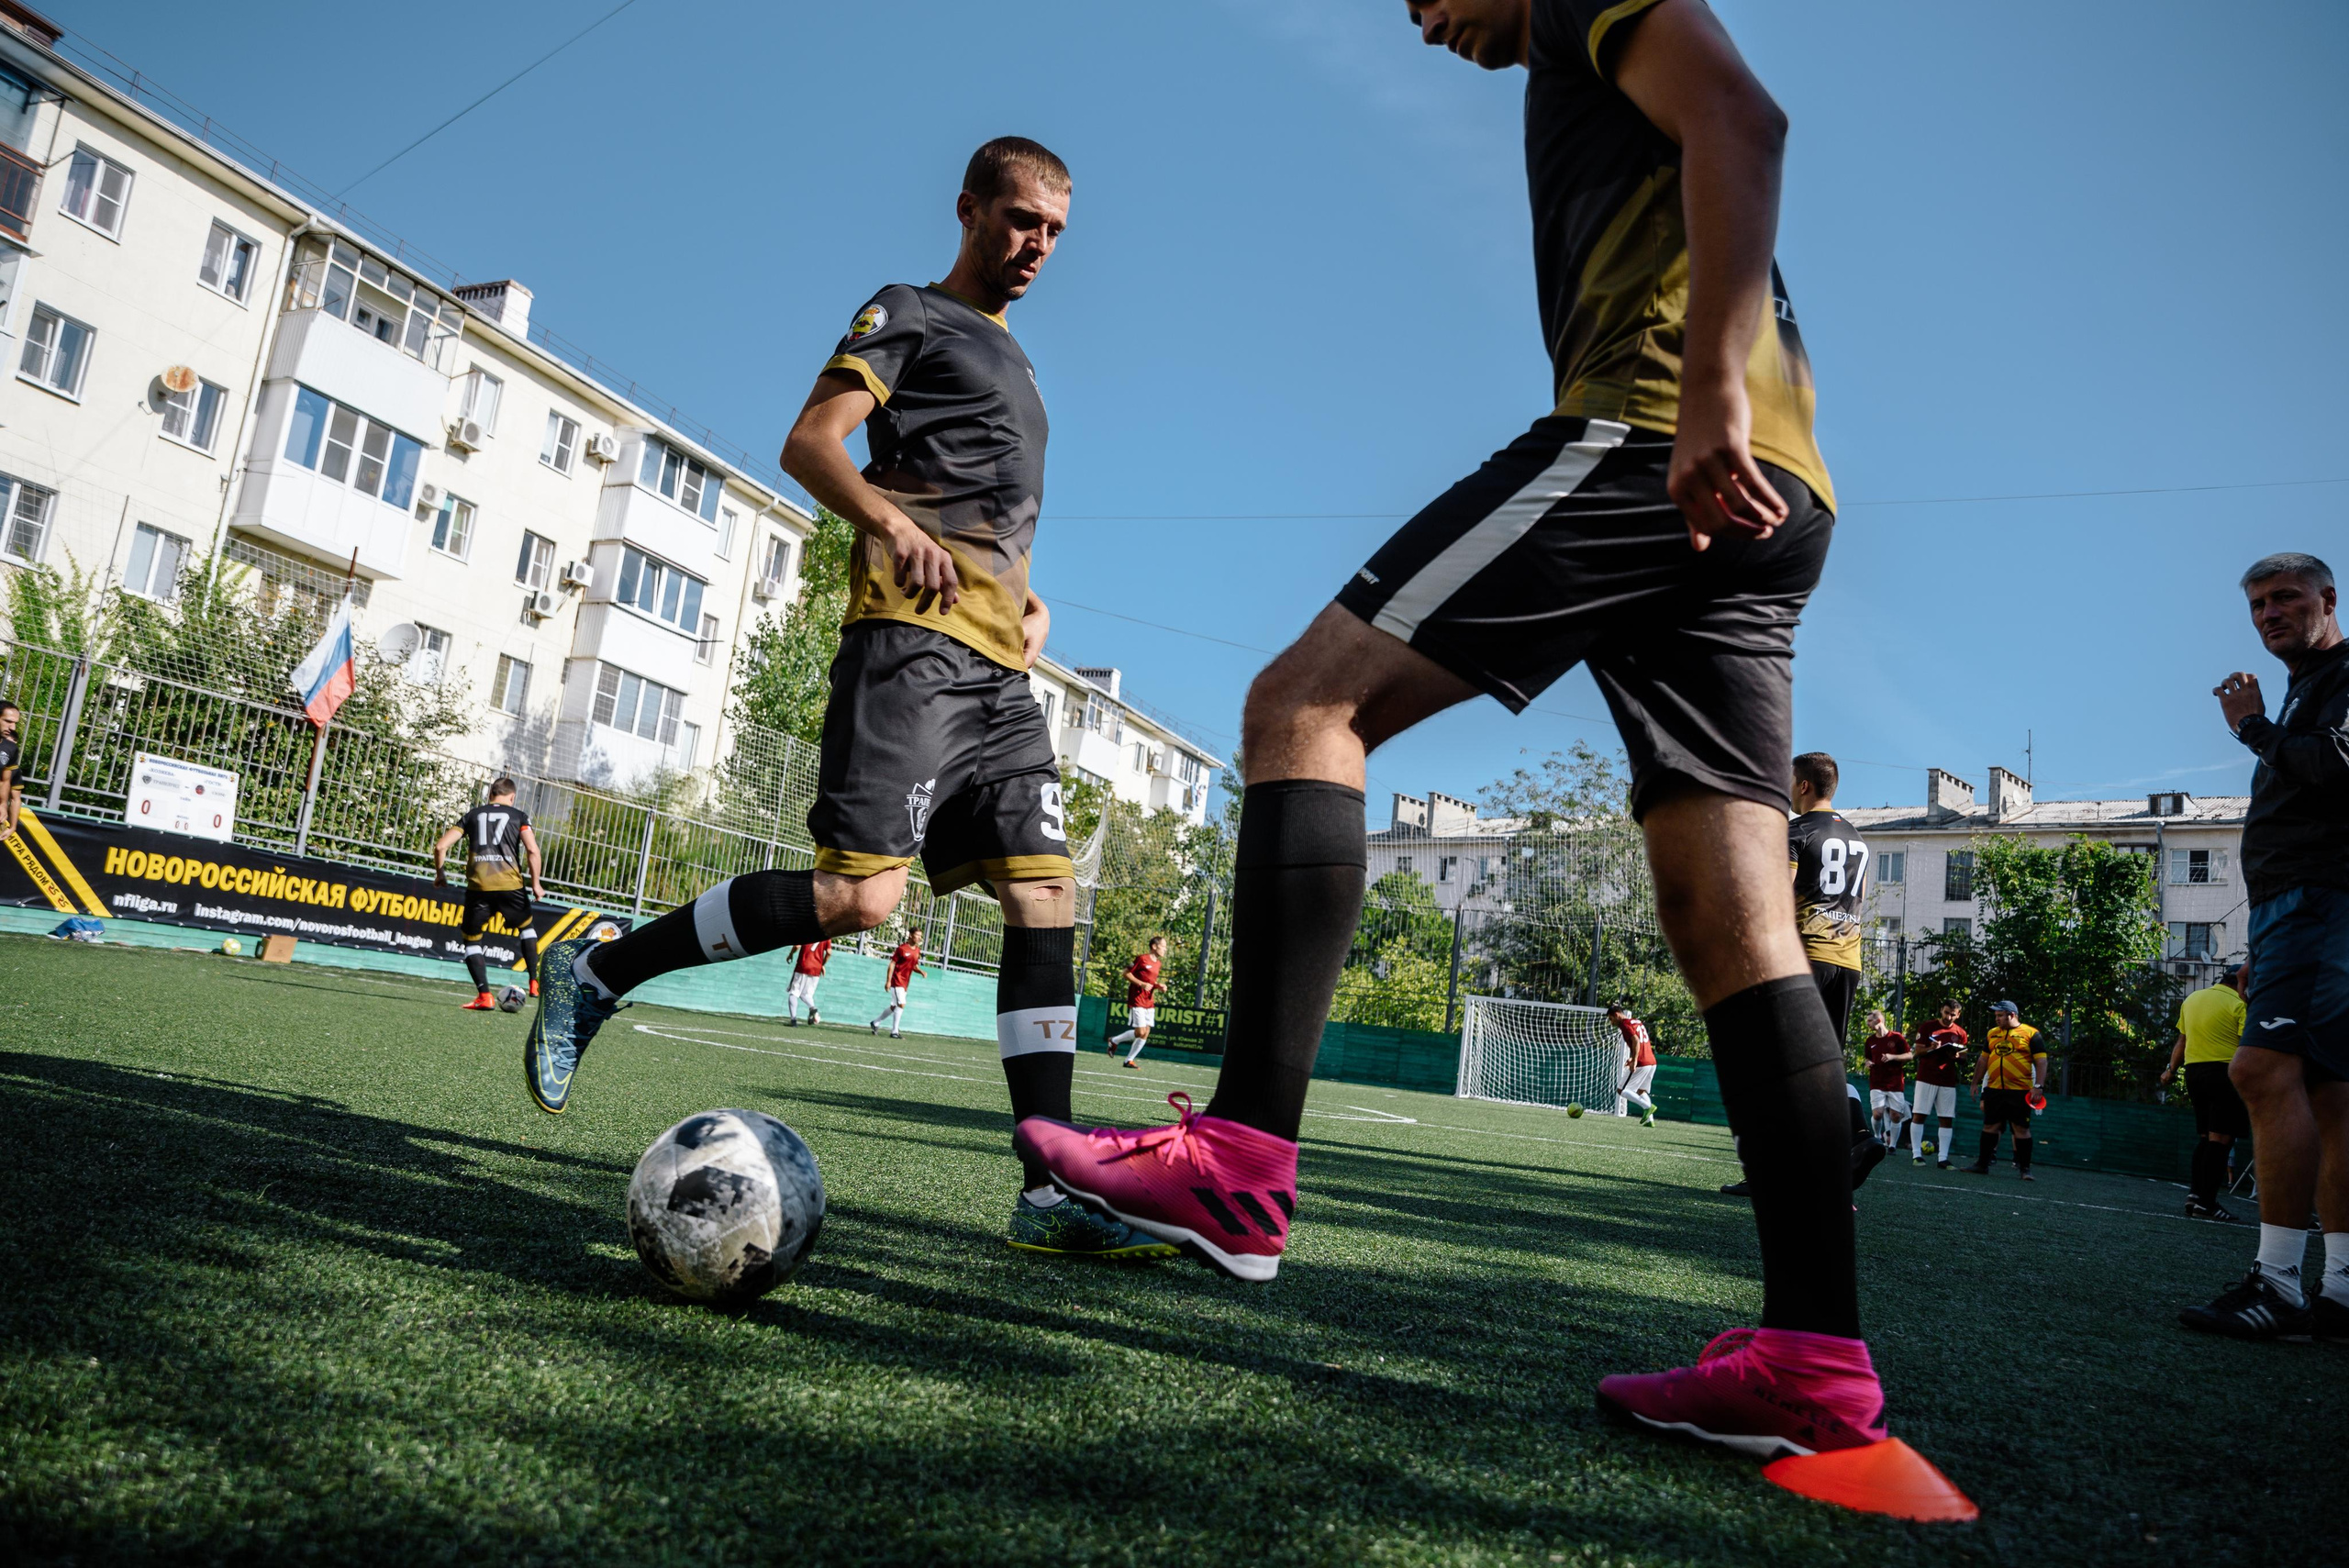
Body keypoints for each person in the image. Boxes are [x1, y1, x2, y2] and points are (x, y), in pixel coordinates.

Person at [1021, 0, 1912, 1471]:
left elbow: (1746, 124)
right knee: (1736, 919)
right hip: (1771, 498)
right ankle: (1817, 1359)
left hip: (1657, 436)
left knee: (1304, 704)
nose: (1421, 21)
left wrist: (1699, 399)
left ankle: (1241, 1163)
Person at [526, 138, 1168, 1262]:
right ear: (968, 207)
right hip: (907, 648)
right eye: (1019, 219)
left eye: (1055, 230)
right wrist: (890, 524)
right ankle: (594, 974)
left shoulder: (1021, 366)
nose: (1037, 246)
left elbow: (982, 508)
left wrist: (1030, 605)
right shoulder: (909, 310)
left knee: (1048, 900)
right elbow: (809, 444)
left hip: (998, 671)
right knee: (858, 900)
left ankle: (1048, 1182)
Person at [2182, 552, 2349, 1342]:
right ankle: (2342, 1292)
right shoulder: (2312, 684)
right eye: (2255, 605)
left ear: (2328, 598)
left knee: (2260, 1070)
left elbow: (2335, 766)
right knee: (2331, 1095)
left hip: (2318, 900)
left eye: (2284, 598)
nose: (2267, 614)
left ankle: (2279, 1284)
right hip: (2304, 910)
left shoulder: (2342, 675)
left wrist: (2252, 727)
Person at [431, 779, 543, 1010]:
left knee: (472, 940)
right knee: (526, 927)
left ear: (490, 794)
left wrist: (440, 874)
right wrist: (536, 884)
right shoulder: (519, 816)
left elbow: (440, 846)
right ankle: (533, 981)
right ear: (512, 797)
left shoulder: (472, 815)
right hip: (510, 885)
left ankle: (485, 995)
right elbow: (532, 849)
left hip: (479, 887)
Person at [1788, 752, 1869, 1046]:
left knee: (1788, 1050)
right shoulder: (1858, 839)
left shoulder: (1797, 831)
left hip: (1808, 956)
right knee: (1829, 1056)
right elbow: (1859, 897)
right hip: (1849, 962)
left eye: (1791, 780)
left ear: (1804, 786)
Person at [2158, 963, 2249, 1221]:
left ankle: (2195, 1195)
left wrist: (2170, 1070)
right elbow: (2246, 1047)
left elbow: (2182, 1041)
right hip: (2225, 1074)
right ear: (2240, 982)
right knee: (2221, 1141)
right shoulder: (2240, 1004)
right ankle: (2207, 1203)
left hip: (2194, 1072)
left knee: (2205, 1137)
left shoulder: (2192, 999)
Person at [1965, 1001, 2045, 1180]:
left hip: (2020, 1091)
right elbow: (1983, 1060)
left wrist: (2038, 1086)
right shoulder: (1992, 1034)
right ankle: (1982, 1165)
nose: (1997, 1019)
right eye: (1996, 1016)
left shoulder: (2032, 1034)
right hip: (1994, 1089)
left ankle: (2025, 1169)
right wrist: (1974, 1083)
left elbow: (2041, 1061)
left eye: (2000, 1015)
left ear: (2011, 1015)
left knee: (2021, 1129)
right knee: (1990, 1126)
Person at [1908, 1000, 1967, 1167]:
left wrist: (1957, 1057)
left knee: (1946, 1118)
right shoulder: (1927, 1027)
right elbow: (1917, 1051)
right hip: (1926, 1077)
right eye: (1946, 1012)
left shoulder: (1961, 1033)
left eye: (1953, 1014)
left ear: (1958, 1015)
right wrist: (1931, 1048)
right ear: (1941, 1010)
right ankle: (1916, 1155)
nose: (1949, 1017)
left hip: (1947, 1080)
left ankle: (1943, 1158)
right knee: (1919, 1114)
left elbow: (1964, 1057)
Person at [1108, 935, 1170, 1068]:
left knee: (1145, 1032)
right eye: (1163, 946)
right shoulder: (1141, 959)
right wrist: (1141, 984)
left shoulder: (1158, 963)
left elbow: (1151, 982)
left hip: (1149, 1001)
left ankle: (1128, 1060)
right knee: (1140, 1032)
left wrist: (1159, 986)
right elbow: (1125, 973)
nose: (1166, 949)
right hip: (1137, 999)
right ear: (1154, 946)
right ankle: (1114, 1040)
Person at [1860, 1010, 1911, 1148]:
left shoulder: (1897, 1038)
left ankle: (1892, 1145)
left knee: (1896, 1116)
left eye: (1870, 1021)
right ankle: (1877, 1138)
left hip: (1895, 1083)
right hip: (1876, 1082)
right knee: (1877, 1114)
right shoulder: (1870, 1041)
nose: (1867, 1023)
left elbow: (1909, 1056)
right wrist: (1867, 1063)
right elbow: (1867, 1058)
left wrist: (1892, 1057)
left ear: (1879, 1021)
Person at [871, 928, 927, 1038]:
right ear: (911, 935)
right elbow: (892, 964)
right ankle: (894, 1032)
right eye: (917, 935)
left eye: (921, 935)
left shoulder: (917, 950)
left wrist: (921, 972)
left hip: (905, 983)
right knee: (901, 1004)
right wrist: (888, 981)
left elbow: (914, 966)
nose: (919, 938)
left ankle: (875, 1023)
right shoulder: (902, 949)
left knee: (894, 1007)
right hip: (897, 981)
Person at [1609, 1002, 1658, 1126]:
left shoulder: (1625, 1025)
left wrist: (1635, 1060)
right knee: (1641, 1091)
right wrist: (1632, 1057)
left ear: (1617, 1015)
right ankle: (1649, 1121)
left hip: (1642, 1062)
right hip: (1651, 1061)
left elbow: (1636, 1040)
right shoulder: (1636, 1021)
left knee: (1623, 1090)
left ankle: (1647, 1106)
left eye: (1611, 1019)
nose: (1611, 1022)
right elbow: (1639, 1041)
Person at [785, 939, 831, 1026]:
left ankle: (793, 1020)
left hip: (803, 966)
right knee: (806, 995)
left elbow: (797, 946)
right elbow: (829, 952)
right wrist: (822, 965)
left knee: (794, 993)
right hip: (816, 969)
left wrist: (790, 954)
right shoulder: (826, 934)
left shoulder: (806, 929)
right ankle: (813, 1008)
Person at [0, 700, 21, 840]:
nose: (12, 727)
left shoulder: (10, 748)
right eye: (8, 721)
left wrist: (2, 805)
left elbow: (4, 780)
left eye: (15, 723)